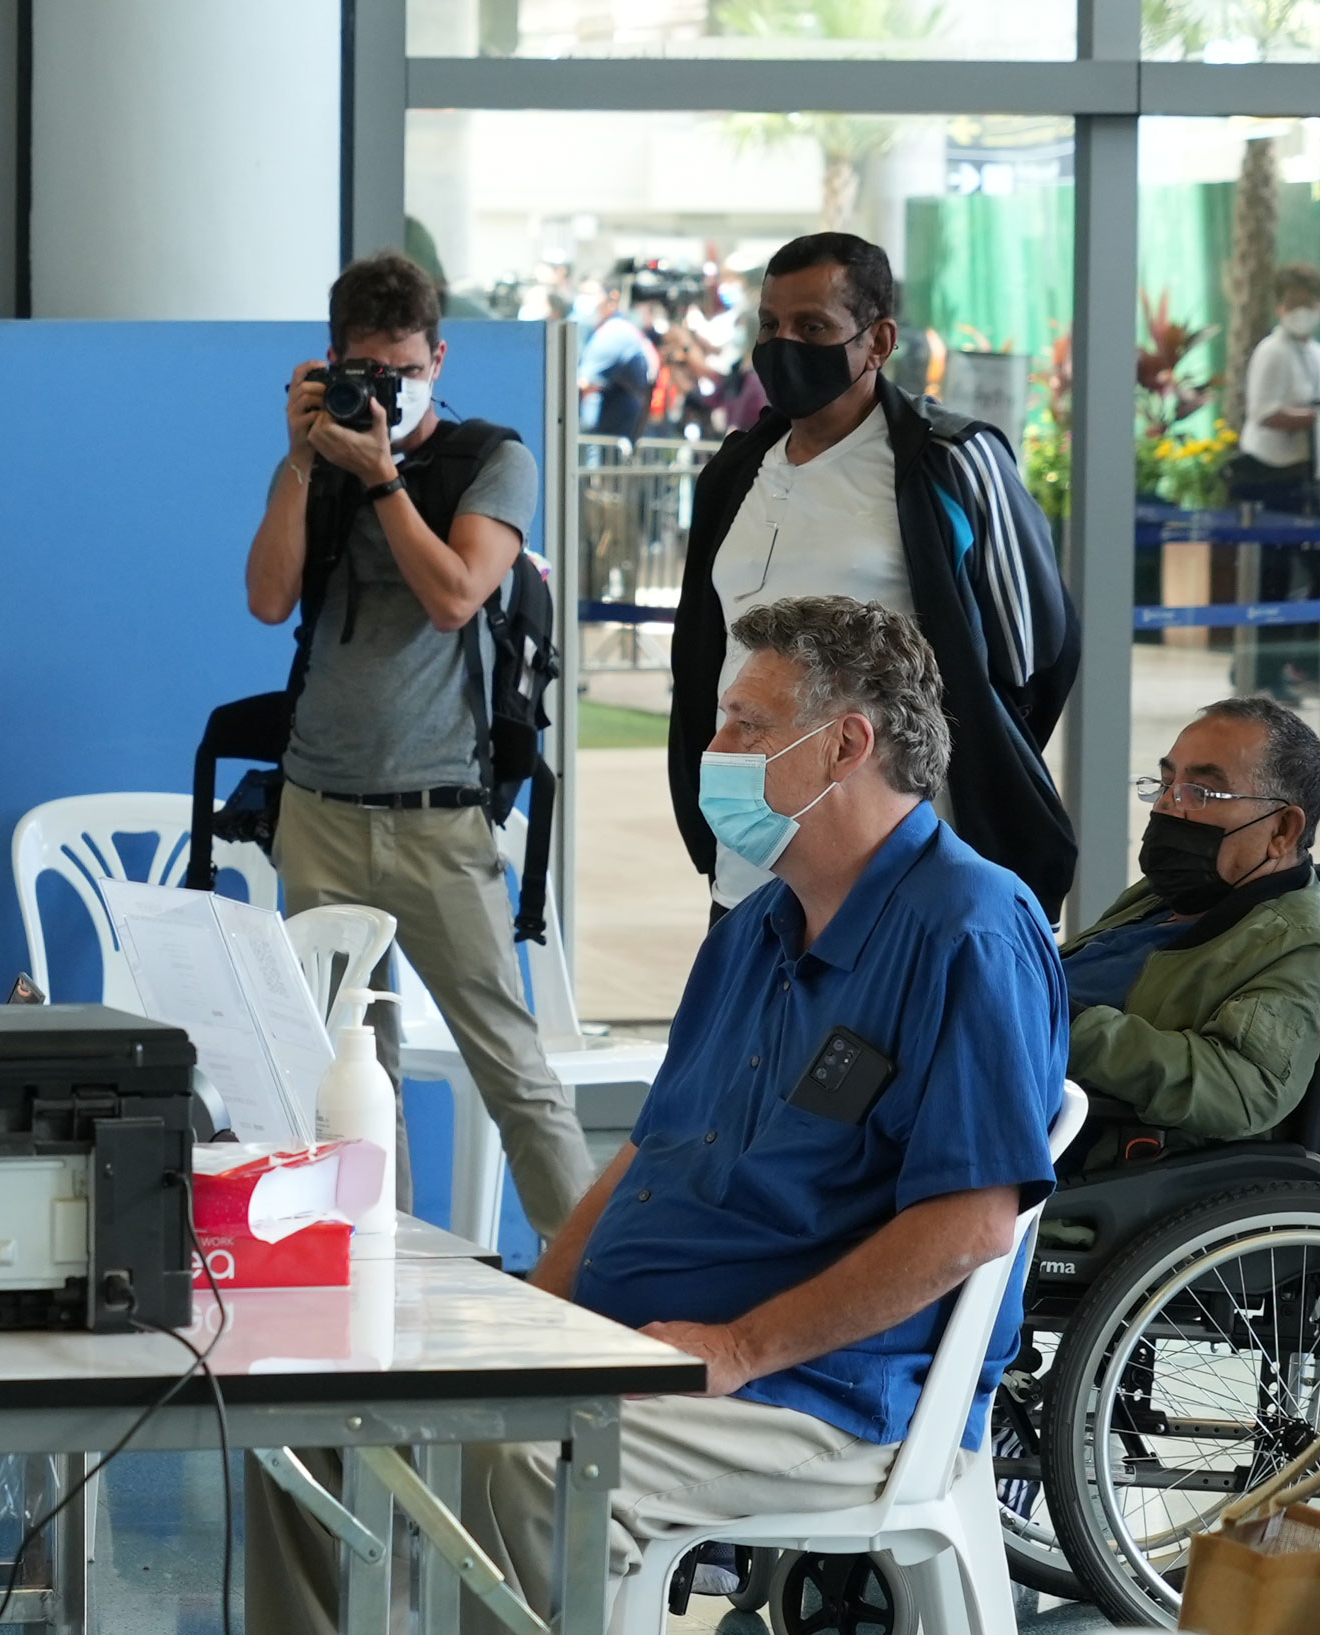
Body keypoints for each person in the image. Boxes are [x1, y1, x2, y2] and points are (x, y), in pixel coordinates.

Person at [249, 596, 1068, 1635]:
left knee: (515, 1448)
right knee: (318, 1385)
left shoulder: (967, 931)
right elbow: (649, 1157)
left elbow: (971, 1222)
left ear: (846, 745)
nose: (716, 744)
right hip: (647, 1349)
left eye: (747, 725)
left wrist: (738, 1350)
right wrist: (538, 1307)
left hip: (823, 1396)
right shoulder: (755, 927)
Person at [243, 249, 595, 1239]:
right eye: (366, 372)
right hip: (318, 811)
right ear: (332, 363)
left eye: (403, 372)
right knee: (348, 1076)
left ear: (438, 355)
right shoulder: (316, 466)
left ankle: (604, 1302)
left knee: (513, 1069)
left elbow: (452, 597)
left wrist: (385, 478)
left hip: (440, 815)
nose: (385, 392)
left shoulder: (492, 459)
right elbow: (268, 599)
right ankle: (374, 1287)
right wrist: (309, 460)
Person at [668, 231, 1080, 919]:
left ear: (878, 341)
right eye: (770, 324)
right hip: (749, 854)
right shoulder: (735, 470)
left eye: (814, 327)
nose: (784, 344)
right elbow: (705, 648)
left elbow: (1038, 653)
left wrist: (957, 761)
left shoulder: (950, 462)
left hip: (899, 856)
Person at [1057, 697, 1320, 1167]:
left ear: (1283, 830)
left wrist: (1062, 1026)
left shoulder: (1287, 941)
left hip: (1065, 1144)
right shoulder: (1176, 895)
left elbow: (1244, 1091)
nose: (1167, 808)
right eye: (1166, 783)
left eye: (1201, 793)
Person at [1232, 264, 1320, 527]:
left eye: (1307, 303)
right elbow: (1263, 414)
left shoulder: (1319, 354)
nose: (1300, 311)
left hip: (1306, 471)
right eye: (1292, 304)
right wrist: (1317, 419)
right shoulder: (1272, 351)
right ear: (1280, 309)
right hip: (1269, 474)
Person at [577, 272, 657, 441]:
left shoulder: (614, 332)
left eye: (591, 294)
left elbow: (585, 383)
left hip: (609, 441)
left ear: (612, 300)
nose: (584, 300)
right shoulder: (597, 330)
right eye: (582, 293)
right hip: (604, 435)